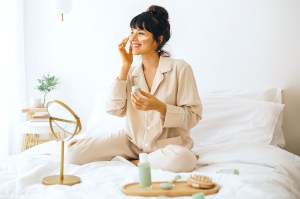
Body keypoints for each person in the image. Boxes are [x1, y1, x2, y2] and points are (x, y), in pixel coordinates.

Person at [67, 5, 202, 173]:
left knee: (184, 160)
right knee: (73, 153)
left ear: (159, 40)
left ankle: (138, 161)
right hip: (131, 142)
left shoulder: (180, 69)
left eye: (141, 33)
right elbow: (114, 109)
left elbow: (193, 117)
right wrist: (125, 66)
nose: (133, 38)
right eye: (132, 31)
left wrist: (159, 107)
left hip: (166, 146)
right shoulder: (131, 72)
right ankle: (142, 160)